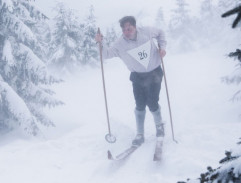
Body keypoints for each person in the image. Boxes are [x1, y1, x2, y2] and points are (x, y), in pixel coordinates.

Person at [95, 16, 167, 146]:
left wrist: (162, 48)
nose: (127, 32)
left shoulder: (147, 31)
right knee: (139, 105)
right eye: (124, 30)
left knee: (152, 101)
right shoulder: (120, 44)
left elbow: (161, 33)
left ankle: (159, 126)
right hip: (137, 76)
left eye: (129, 29)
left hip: (154, 73)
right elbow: (105, 54)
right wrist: (100, 42)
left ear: (135, 27)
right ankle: (140, 134)